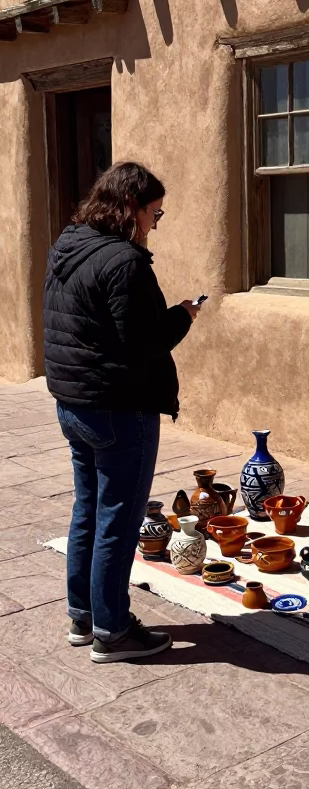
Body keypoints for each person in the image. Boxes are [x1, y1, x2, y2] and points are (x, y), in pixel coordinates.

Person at [43, 161, 201, 663]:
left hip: (74, 404)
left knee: (88, 510)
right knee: (118, 518)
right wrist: (183, 315)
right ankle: (111, 631)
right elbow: (144, 342)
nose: (156, 222)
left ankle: (84, 615)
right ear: (131, 207)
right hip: (117, 408)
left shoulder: (69, 245)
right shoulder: (124, 261)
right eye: (155, 212)